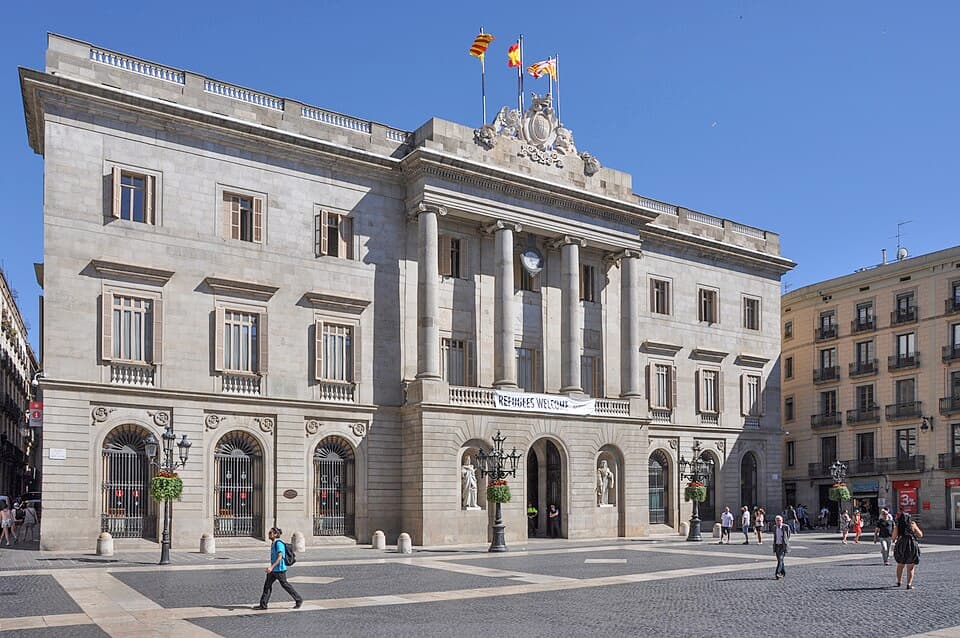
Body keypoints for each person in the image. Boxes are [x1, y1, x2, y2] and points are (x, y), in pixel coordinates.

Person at [256, 527, 303, 610]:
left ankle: (298, 599)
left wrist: (271, 567)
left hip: (279, 570)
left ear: (275, 534)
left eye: (270, 533)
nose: (268, 534)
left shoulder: (278, 544)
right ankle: (263, 604)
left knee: (285, 585)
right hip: (274, 570)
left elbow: (280, 557)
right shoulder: (274, 543)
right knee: (267, 586)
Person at [893, 511, 923, 589]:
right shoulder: (912, 524)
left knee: (900, 564)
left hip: (901, 544)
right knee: (911, 565)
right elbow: (920, 535)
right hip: (912, 544)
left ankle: (899, 581)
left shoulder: (898, 525)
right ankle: (909, 584)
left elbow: (893, 537)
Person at [772, 514, 791, 579]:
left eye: (779, 520)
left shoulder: (786, 527)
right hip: (777, 545)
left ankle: (777, 573)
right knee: (780, 560)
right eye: (777, 520)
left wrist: (785, 542)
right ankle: (783, 572)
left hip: (783, 546)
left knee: (780, 559)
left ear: (782, 520)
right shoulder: (774, 527)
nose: (778, 522)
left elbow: (788, 535)